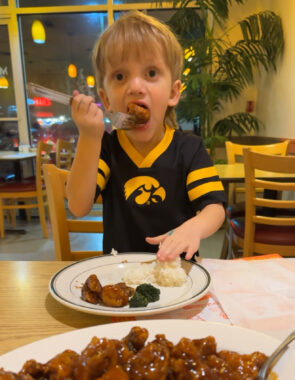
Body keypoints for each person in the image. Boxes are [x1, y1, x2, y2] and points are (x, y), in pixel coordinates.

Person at [67, 10, 226, 261]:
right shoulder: (107, 149)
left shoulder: (189, 149)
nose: (135, 87)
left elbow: (214, 208)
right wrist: (88, 137)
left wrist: (193, 227)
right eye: (120, 76)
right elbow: (77, 206)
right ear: (106, 99)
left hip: (178, 276)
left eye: (151, 73)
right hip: (120, 277)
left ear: (173, 93)